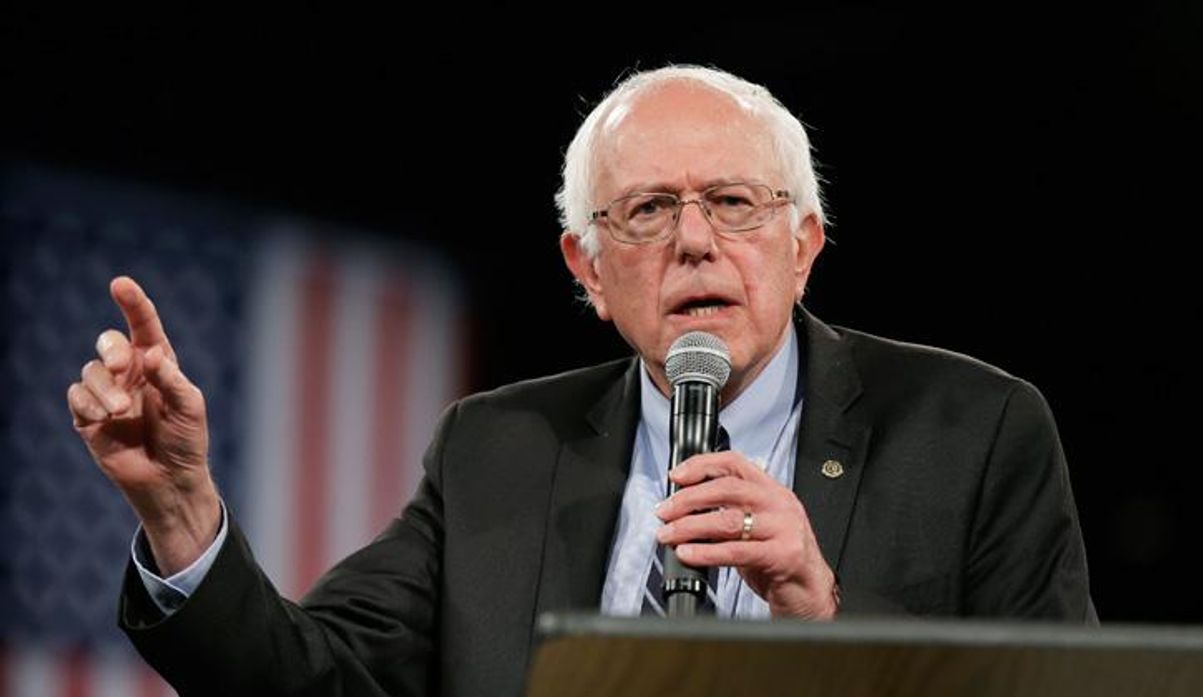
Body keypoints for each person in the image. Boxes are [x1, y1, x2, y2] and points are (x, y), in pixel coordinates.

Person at [66, 65, 1095, 697]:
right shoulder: (496, 449)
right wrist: (184, 515)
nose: (695, 241)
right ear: (588, 272)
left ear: (804, 245)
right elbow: (310, 680)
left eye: (735, 202)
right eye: (646, 211)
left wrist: (825, 612)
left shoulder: (977, 429)